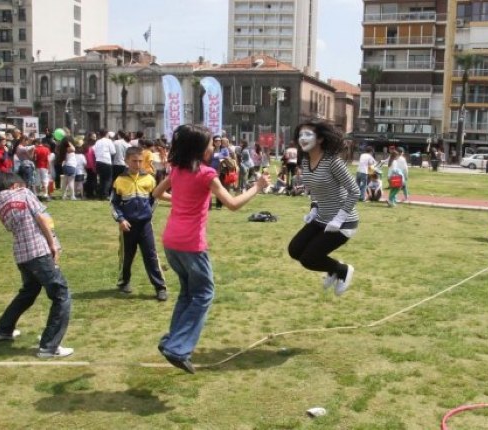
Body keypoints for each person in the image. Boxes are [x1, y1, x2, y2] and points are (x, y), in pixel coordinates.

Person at [151, 124, 268, 373]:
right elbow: (233, 204)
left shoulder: (177, 170)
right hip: (192, 244)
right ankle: (178, 348)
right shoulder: (206, 175)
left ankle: (173, 341)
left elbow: (156, 193)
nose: (213, 147)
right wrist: (257, 187)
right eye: (209, 144)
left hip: (171, 241)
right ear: (199, 149)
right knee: (204, 294)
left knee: (187, 293)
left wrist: (182, 199)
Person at [0, 172, 74, 358]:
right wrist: (53, 244)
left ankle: (3, 329)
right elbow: (42, 219)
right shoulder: (24, 193)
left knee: (29, 291)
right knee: (62, 295)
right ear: (15, 185)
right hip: (38, 252)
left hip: (22, 255)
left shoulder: (0, 205)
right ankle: (49, 346)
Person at [288, 120, 359, 296]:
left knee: (309, 259)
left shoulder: (332, 161)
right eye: (300, 135)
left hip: (343, 222)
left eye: (307, 134)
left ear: (320, 139)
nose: (302, 139)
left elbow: (355, 191)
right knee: (295, 250)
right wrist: (313, 208)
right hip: (321, 217)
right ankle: (332, 269)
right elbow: (315, 188)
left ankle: (342, 270)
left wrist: (340, 218)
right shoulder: (305, 161)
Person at [111, 146, 168, 301]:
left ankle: (160, 287)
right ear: (126, 161)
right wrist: (121, 219)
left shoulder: (149, 179)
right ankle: (124, 282)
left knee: (151, 256)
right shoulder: (119, 180)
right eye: (134, 161)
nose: (137, 164)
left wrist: (148, 214)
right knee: (126, 256)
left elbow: (154, 199)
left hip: (144, 225)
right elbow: (114, 204)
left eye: (140, 161)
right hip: (127, 226)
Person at [93, 130, 116, 199]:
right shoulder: (109, 141)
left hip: (98, 161)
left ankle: (100, 194)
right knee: (108, 179)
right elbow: (113, 151)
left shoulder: (97, 141)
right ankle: (105, 195)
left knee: (101, 179)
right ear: (106, 134)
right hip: (106, 161)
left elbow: (94, 151)